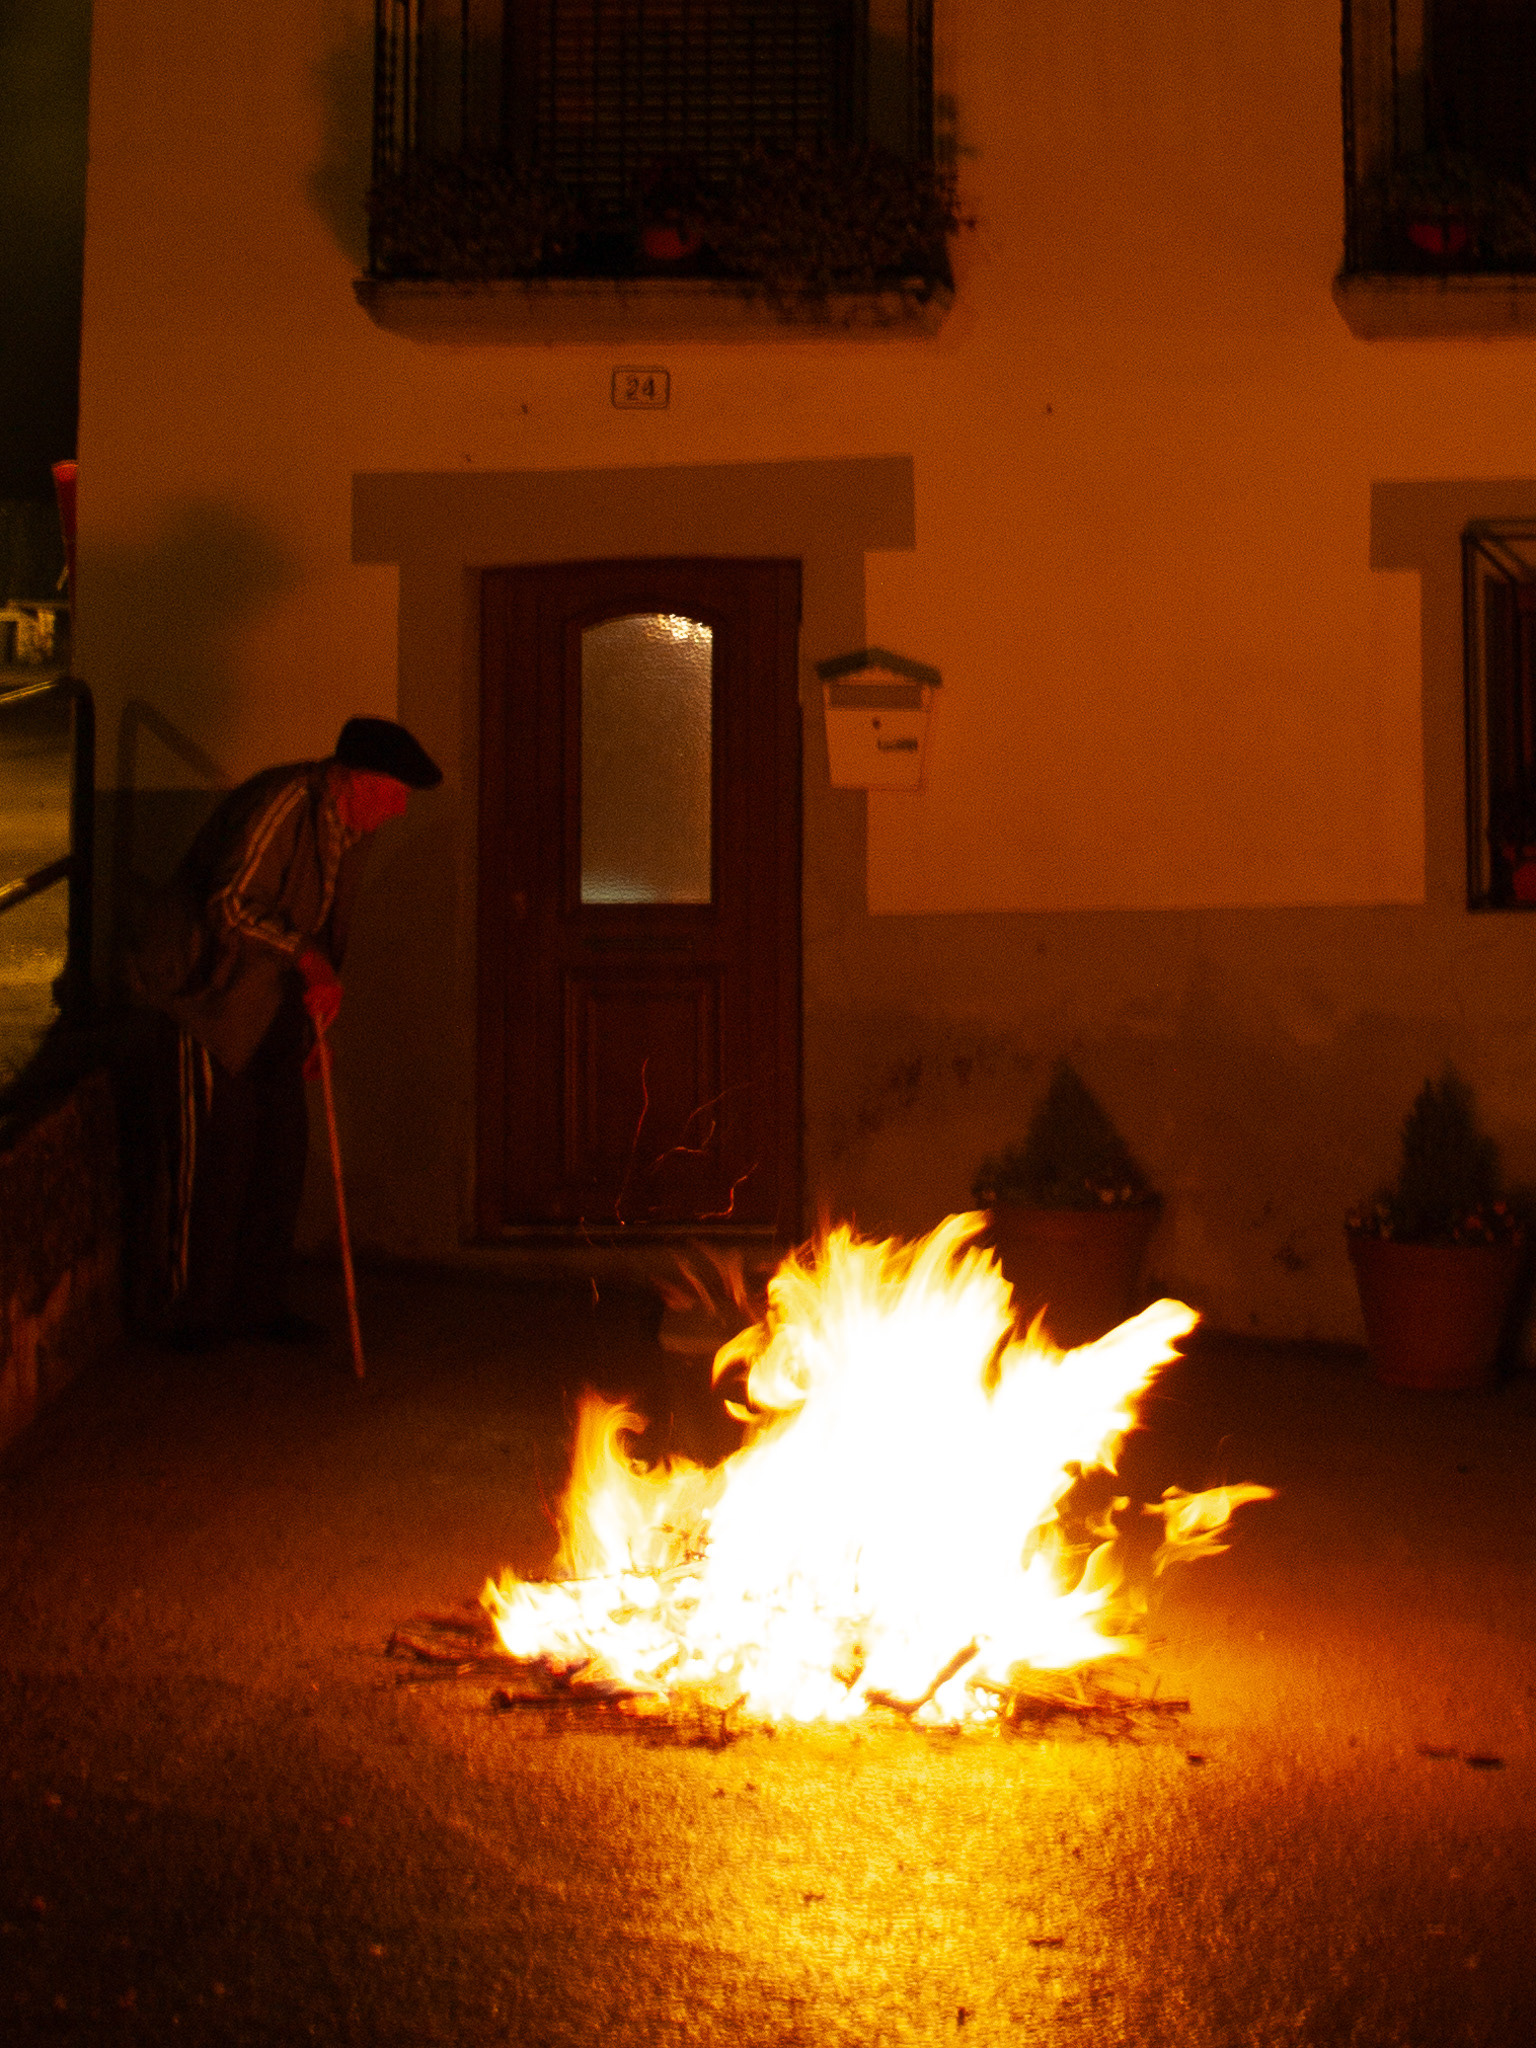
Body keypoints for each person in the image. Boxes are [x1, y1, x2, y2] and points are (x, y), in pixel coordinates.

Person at [126, 717, 442, 1349]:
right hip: (207, 995)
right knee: (212, 1155)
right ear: (355, 779)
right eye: (395, 792)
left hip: (271, 1007)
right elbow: (230, 902)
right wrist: (307, 960)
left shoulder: (351, 832)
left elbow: (326, 935)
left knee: (280, 1152)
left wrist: (309, 1026)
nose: (401, 808)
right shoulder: (283, 805)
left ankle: (254, 1303)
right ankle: (188, 1313)